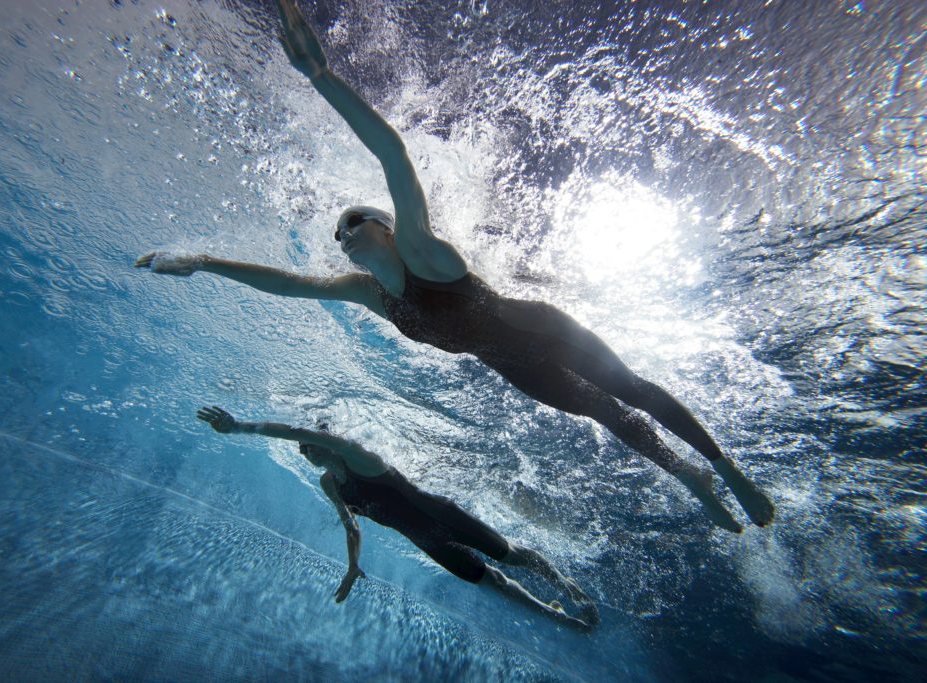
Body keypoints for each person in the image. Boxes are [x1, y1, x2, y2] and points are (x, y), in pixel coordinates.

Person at [137, 0, 774, 533]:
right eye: (335, 236)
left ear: (382, 227)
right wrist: (205, 263)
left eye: (351, 225)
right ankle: (695, 482)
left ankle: (728, 468)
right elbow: (287, 285)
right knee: (612, 418)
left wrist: (322, 78)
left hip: (544, 330)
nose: (342, 238)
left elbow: (392, 155)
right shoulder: (368, 293)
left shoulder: (419, 248)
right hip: (516, 367)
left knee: (629, 390)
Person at [196, 405, 599, 632]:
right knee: (488, 579)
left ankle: (567, 585)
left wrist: (239, 428)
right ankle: (552, 614)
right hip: (425, 539)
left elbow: (304, 431)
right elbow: (351, 525)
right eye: (301, 449)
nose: (304, 450)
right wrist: (353, 566)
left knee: (509, 555)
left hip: (441, 514)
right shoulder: (329, 485)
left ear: (326, 442)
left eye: (309, 444)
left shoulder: (358, 456)